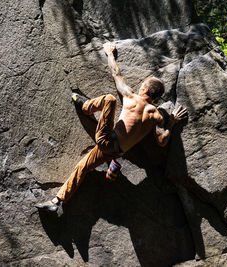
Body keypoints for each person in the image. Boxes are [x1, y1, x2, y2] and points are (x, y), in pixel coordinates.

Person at [36, 43, 187, 212]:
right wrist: (172, 123)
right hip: (117, 151)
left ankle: (85, 106)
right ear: (156, 98)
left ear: (144, 89)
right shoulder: (156, 116)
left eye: (142, 85)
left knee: (110, 99)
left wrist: (109, 54)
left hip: (106, 140)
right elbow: (162, 141)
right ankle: (57, 201)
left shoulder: (131, 97)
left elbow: (116, 74)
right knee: (83, 166)